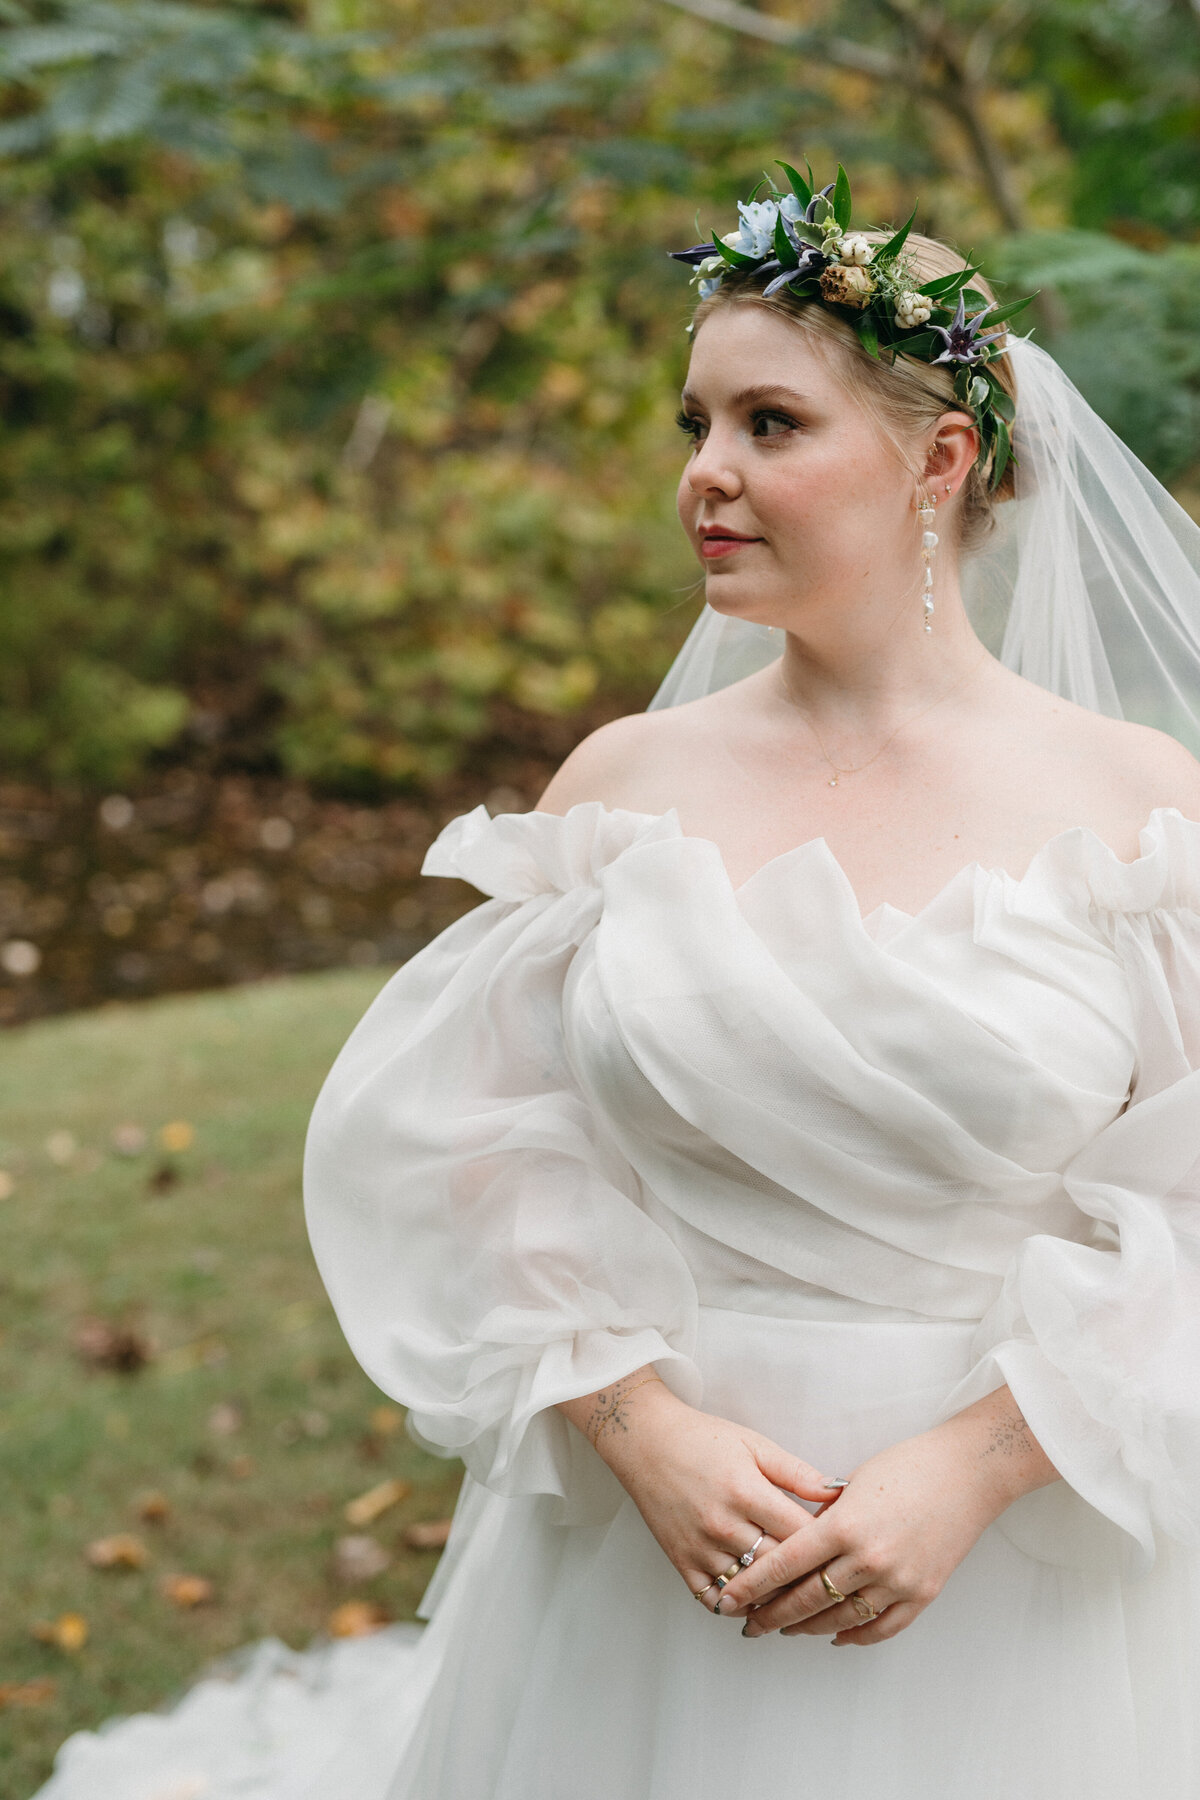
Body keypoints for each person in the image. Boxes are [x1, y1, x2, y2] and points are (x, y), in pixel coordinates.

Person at [33, 165, 1200, 1800]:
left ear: (940, 459)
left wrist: (978, 1468)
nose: (705, 476)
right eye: (693, 424)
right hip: (660, 1559)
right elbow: (486, 1150)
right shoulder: (624, 786)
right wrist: (638, 1431)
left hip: (1023, 1560)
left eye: (770, 425)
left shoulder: (1134, 804)